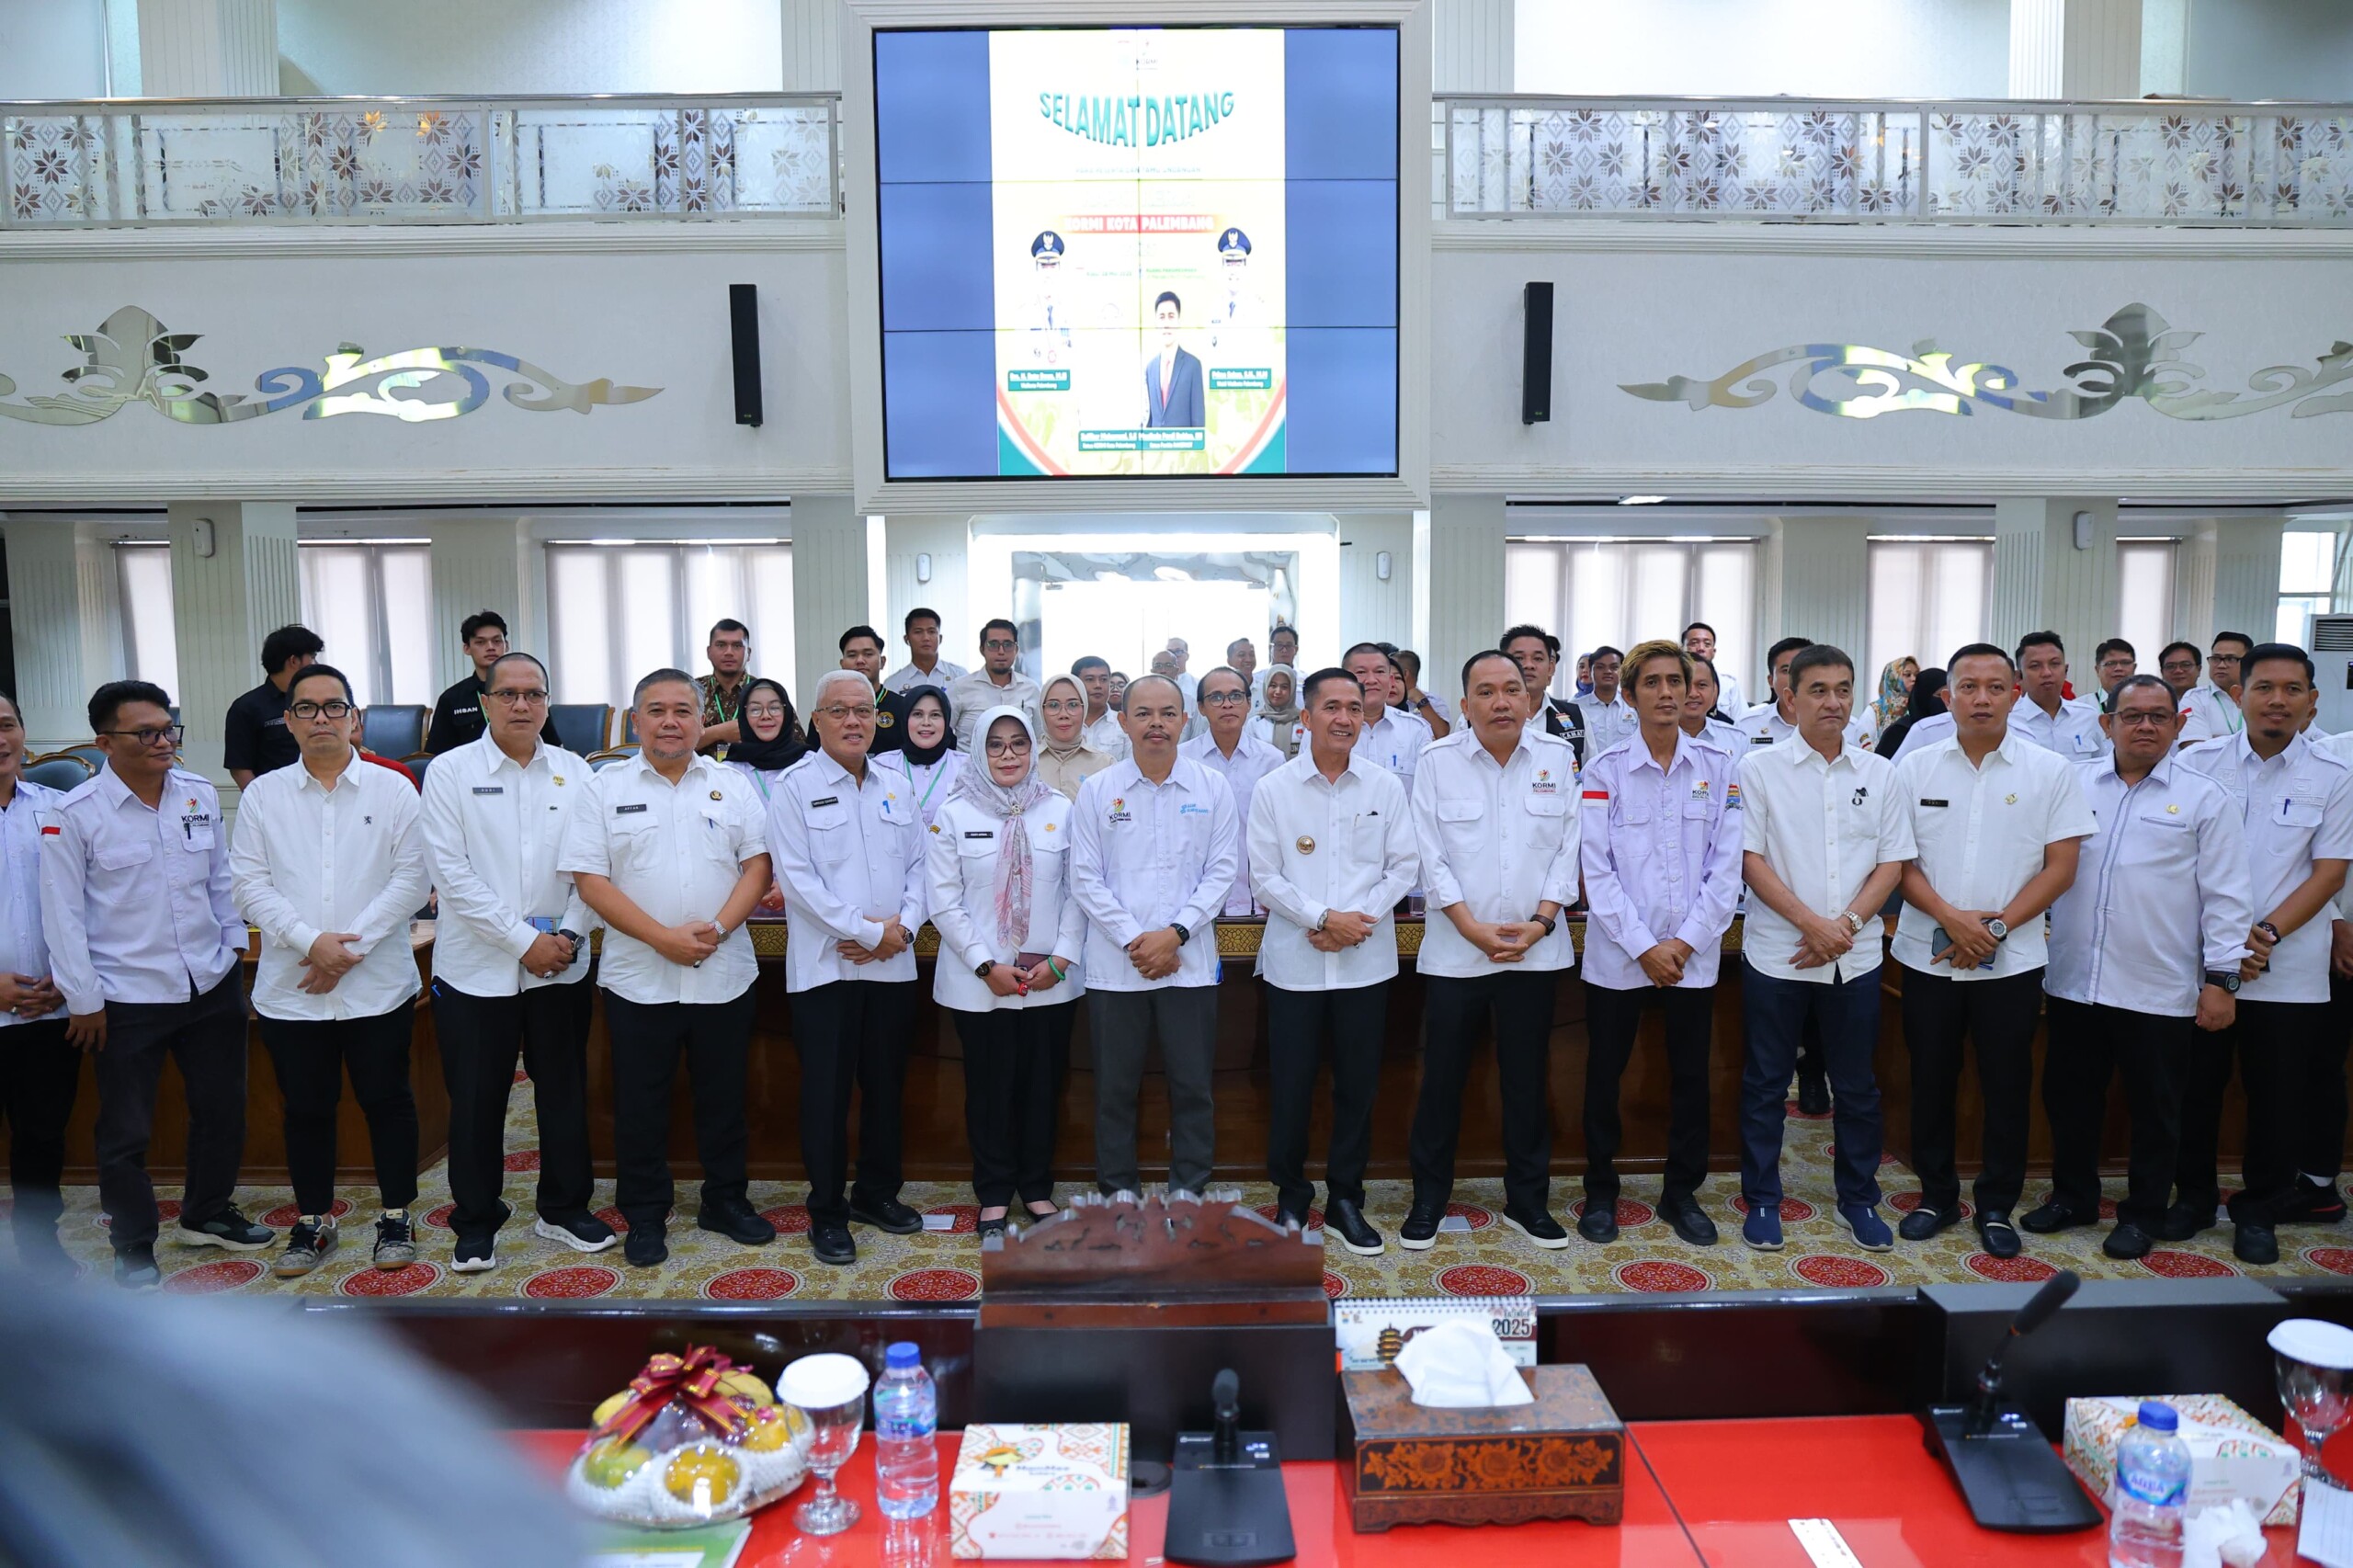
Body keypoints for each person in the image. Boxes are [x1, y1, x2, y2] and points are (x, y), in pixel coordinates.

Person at [41, 680, 266, 1289]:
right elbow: (62, 916)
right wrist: (84, 999)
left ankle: (208, 1212)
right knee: (126, 1131)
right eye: (146, 733)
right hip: (127, 995)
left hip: (209, 981)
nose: (164, 741)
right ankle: (133, 1242)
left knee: (222, 1110)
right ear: (104, 742)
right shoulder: (75, 814)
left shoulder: (196, 793)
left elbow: (219, 880)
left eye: (169, 729)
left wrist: (234, 948)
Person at [2029, 674, 2251, 1261]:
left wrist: (2221, 980)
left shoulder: (2206, 798)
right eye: (2132, 716)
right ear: (2107, 724)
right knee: (2070, 1100)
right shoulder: (2073, 784)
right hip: (2076, 980)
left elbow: (2228, 896)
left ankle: (2144, 1213)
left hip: (2158, 986)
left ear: (2179, 725)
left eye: (2159, 716)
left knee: (2156, 1110)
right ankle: (2073, 1197)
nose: (2146, 726)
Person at [560, 668, 774, 1268]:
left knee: (724, 1100)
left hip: (723, 972)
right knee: (640, 1105)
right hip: (639, 977)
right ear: (636, 721)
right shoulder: (602, 788)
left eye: (683, 710)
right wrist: (663, 939)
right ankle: (645, 1213)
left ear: (702, 720)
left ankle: (725, 1201)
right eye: (657, 711)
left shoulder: (732, 785)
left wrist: (718, 931)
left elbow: (758, 866)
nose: (671, 722)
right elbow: (590, 881)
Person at [1892, 642, 2094, 1260]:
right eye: (1969, 687)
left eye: (1995, 687)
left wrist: (1995, 929)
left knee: (2007, 1084)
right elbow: (1897, 861)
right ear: (1947, 696)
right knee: (1930, 1080)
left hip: (2013, 961)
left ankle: (1997, 1204)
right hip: (1927, 956)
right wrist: (1953, 920)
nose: (1981, 699)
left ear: (2014, 695)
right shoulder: (1914, 767)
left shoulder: (2050, 770)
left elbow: (2062, 868)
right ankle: (1936, 1196)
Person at [231, 663, 431, 1278]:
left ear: (355, 719)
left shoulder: (393, 789)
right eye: (307, 708)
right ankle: (314, 1220)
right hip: (294, 987)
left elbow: (413, 879)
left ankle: (396, 1215)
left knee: (388, 1100)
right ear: (288, 721)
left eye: (334, 706)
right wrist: (310, 942)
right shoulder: (263, 795)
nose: (322, 717)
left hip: (378, 985)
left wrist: (346, 951)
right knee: (306, 1109)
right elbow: (248, 884)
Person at [418, 651, 610, 1273]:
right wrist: (522, 941)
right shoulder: (449, 772)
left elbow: (595, 866)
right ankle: (476, 1219)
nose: (521, 705)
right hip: (476, 969)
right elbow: (451, 873)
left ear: (547, 704)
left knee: (563, 1092)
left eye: (534, 694)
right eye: (508, 694)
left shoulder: (577, 773)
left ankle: (564, 1207)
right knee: (476, 1101)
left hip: (562, 964)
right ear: (486, 702)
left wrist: (571, 935)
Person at [2173, 643, 2353, 1264]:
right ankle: (2193, 1199)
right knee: (2196, 1088)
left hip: (2289, 967)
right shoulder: (2197, 764)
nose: (2278, 700)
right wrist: (2224, 943)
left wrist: (2266, 934)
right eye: (2264, 688)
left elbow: (2329, 874)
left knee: (2278, 1096)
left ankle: (2261, 1207)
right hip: (2203, 962)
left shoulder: (2333, 774)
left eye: (2292, 689)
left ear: (2312, 700)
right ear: (2238, 695)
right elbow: (2179, 858)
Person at [1403, 652, 1580, 1252]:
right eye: (1486, 691)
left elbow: (1569, 847)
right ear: (1465, 704)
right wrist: (1470, 927)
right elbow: (1429, 855)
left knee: (1528, 1081)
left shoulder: (1557, 757)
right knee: (1442, 1080)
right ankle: (1429, 1197)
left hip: (1535, 952)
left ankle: (1528, 1201)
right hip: (1456, 953)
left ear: (1530, 699)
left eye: (1512, 689)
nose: (1501, 701)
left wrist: (1541, 923)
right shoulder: (1437, 761)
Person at [1735, 644, 1910, 1253]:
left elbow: (1892, 862)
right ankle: (1763, 1198)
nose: (1832, 702)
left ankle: (1858, 1199)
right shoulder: (1758, 769)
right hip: (1777, 955)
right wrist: (1812, 925)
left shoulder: (1880, 774)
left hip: (1854, 958)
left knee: (1857, 1088)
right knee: (1766, 1085)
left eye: (1842, 689)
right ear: (1790, 697)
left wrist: (1845, 926)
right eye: (1818, 690)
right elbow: (1750, 859)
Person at [1574, 641, 1743, 1247]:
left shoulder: (1720, 767)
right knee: (1604, 1075)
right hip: (1620, 955)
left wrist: (1687, 941)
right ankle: (1601, 1191)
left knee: (1691, 1077)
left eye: (1678, 680)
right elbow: (1595, 870)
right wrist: (1646, 946)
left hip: (1692, 957)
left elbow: (1727, 868)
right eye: (1653, 682)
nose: (1668, 692)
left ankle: (1681, 1194)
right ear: (1629, 695)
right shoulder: (1604, 770)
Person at [1247, 667, 1417, 1256]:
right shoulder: (1274, 788)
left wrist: (1353, 925)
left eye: (1354, 707)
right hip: (1295, 964)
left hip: (1365, 964)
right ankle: (1292, 1196)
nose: (1344, 718)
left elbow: (1403, 866)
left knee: (1357, 1088)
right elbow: (1264, 876)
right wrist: (1323, 919)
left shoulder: (1384, 787)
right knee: (1291, 1088)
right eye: (1331, 707)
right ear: (1306, 717)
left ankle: (1347, 1197)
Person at [766, 670, 929, 1267]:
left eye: (863, 710)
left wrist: (901, 930)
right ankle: (828, 1212)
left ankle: (876, 1194)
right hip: (826, 969)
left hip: (893, 966)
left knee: (886, 1088)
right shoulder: (793, 787)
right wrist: (867, 932)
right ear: (817, 720)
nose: (853, 721)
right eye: (839, 710)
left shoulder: (896, 785)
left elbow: (922, 867)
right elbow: (797, 881)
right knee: (827, 1097)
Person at [1069, 675, 1240, 1198]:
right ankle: (1118, 1191)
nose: (1156, 724)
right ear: (1123, 721)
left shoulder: (1212, 787)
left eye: (1168, 713)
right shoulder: (1098, 790)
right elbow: (1085, 878)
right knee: (1114, 1089)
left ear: (1186, 719)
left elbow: (1222, 871)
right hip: (1116, 968)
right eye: (1143, 713)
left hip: (1189, 965)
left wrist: (1176, 934)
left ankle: (1188, 1190)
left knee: (1192, 1088)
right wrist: (1136, 940)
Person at [926, 706, 1085, 1237]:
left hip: (1049, 980)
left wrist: (1061, 959)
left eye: (1018, 743)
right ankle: (994, 1194)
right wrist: (985, 965)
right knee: (989, 1090)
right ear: (979, 751)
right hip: (979, 983)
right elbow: (943, 901)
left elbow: (1079, 891)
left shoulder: (1060, 809)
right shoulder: (954, 813)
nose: (1009, 754)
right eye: (996, 744)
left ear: (1033, 748)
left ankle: (1036, 1188)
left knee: (1043, 1087)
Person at [0, 694, 74, 1273]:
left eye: (6, 725)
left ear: (24, 734)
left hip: (50, 1007)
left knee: (42, 1134)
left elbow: (91, 901)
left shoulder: (60, 808)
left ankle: (38, 1242)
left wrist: (68, 978)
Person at [1181, 666, 1286, 917]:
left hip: (1258, 900)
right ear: (1201, 707)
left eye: (1236, 696)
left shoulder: (1272, 760)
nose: (1227, 704)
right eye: (1216, 697)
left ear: (1249, 703)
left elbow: (1283, 829)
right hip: (1192, 901)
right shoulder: (1182, 760)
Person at [426, 610, 560, 756]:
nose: (490, 647)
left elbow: (553, 747)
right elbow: (437, 754)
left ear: (506, 645)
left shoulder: (530, 692)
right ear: (467, 648)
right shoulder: (452, 699)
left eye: (497, 641)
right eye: (480, 642)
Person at [224, 623, 323, 788]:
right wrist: (260, 800)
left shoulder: (320, 701)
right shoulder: (246, 707)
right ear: (294, 661)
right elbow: (240, 768)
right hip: (277, 796)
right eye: (312, 657)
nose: (316, 664)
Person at [1741, 637, 1873, 755]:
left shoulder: (1852, 728)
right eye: (1786, 670)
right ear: (1771, 680)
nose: (1793, 677)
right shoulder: (1748, 725)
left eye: (1843, 690)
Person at [1346, 642, 1433, 796]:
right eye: (1361, 672)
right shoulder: (1324, 728)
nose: (1371, 680)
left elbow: (1428, 793)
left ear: (1391, 681)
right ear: (1343, 679)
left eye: (1379, 672)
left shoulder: (1416, 730)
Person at [2009, 631, 2109, 765]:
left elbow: (2101, 766)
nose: (2047, 673)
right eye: (2035, 666)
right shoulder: (2008, 721)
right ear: (2018, 676)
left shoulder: (2088, 716)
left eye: (2054, 664)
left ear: (2066, 670)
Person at [949, 619, 1043, 752]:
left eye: (1008, 644)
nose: (1001, 651)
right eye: (993, 644)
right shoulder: (960, 688)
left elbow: (1040, 739)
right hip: (969, 765)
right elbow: (942, 734)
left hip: (1017, 764)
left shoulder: (1031, 689)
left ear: (1016, 649)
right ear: (982, 649)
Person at [882, 687, 962, 826]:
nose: (926, 722)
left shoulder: (966, 767)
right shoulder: (882, 766)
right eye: (917, 714)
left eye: (935, 715)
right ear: (905, 719)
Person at [1501, 624, 1582, 758]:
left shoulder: (1577, 716)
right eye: (1519, 658)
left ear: (1550, 668)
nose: (1529, 665)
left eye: (1538, 659)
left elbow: (1589, 768)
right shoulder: (1478, 717)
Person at [695, 618, 771, 756]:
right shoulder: (691, 691)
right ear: (709, 652)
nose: (729, 652)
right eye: (721, 645)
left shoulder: (767, 692)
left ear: (749, 653)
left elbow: (795, 745)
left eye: (737, 646)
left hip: (755, 768)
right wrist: (719, 732)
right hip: (699, 769)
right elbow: (674, 743)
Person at [1037, 673, 1114, 801]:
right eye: (1053, 705)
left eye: (1073, 705)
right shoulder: (1027, 764)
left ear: (1084, 709)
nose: (1063, 715)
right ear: (1042, 710)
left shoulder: (1105, 765)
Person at [2177, 632, 2254, 747]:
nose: (2221, 665)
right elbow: (2196, 749)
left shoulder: (2258, 698)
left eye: (2230, 659)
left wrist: (2215, 741)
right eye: (2216, 659)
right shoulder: (2195, 698)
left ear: (2248, 663)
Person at [1142, 290, 1204, 428]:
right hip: (1156, 443)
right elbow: (1149, 421)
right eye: (1162, 317)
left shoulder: (1193, 366)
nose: (1166, 324)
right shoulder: (1150, 368)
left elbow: (1198, 422)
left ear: (1178, 321)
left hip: (1183, 443)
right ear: (1156, 323)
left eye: (1171, 316)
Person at [885, 606, 967, 696]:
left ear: (940, 638)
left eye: (931, 632)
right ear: (906, 639)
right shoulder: (892, 684)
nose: (926, 638)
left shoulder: (959, 676)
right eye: (918, 632)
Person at [1875, 666, 1946, 761]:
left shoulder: (1953, 728)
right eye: (1940, 695)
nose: (1947, 701)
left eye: (1949, 696)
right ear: (1923, 696)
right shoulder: (1898, 732)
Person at [1578, 646, 1638, 758]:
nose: (1608, 672)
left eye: (1614, 667)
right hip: (1589, 769)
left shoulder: (1634, 706)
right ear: (1590, 671)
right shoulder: (1576, 708)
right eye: (1600, 667)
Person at [1682, 656, 1745, 752]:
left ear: (1714, 690)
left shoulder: (1737, 739)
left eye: (1702, 685)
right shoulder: (1657, 738)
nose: (1693, 694)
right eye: (1685, 685)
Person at [1074, 656, 1130, 760]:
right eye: (1090, 679)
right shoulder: (1064, 722)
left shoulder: (1123, 724)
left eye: (1104, 679)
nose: (1098, 685)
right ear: (1075, 684)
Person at [1685, 622, 1745, 717]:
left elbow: (1742, 720)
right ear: (1683, 650)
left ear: (1713, 652)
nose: (1701, 648)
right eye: (1694, 643)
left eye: (1707, 644)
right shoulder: (1672, 682)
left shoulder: (1730, 684)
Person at [1392, 650, 1452, 737]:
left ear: (1405, 674)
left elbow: (1442, 734)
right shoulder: (1385, 699)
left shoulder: (1433, 700)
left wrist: (1422, 702)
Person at [1256, 665, 1304, 758]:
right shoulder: (1255, 723)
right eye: (1273, 686)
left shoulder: (1303, 721)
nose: (1278, 691)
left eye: (1284, 687)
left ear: (1292, 689)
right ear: (1266, 687)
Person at [1868, 656, 1915, 744]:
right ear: (1894, 677)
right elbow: (1863, 741)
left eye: (1916, 675)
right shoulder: (1876, 710)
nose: (1913, 679)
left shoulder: (1917, 707)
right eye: (1908, 675)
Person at [2157, 641, 2205, 708]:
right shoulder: (2153, 704)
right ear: (2162, 672)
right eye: (2170, 666)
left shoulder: (2210, 702)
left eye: (2185, 665)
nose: (2178, 671)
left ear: (2199, 669)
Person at [2094, 639, 2138, 709]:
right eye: (2111, 663)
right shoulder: (2080, 707)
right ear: (2098, 670)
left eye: (2125, 663)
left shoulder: (2148, 704)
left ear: (2134, 668)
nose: (2118, 668)